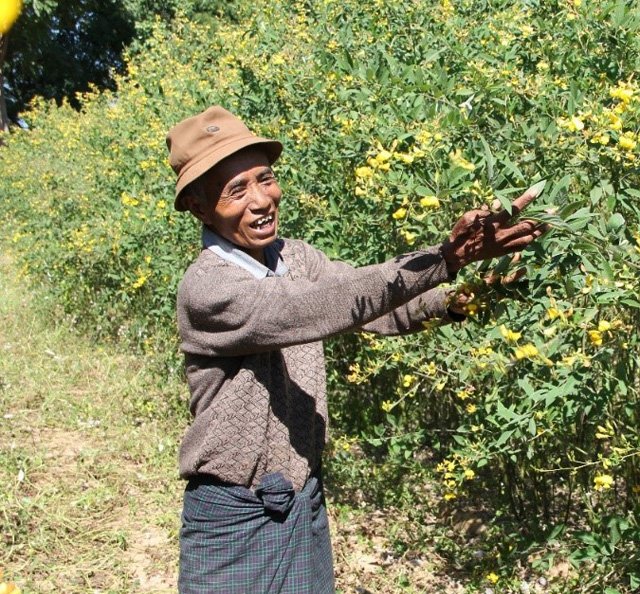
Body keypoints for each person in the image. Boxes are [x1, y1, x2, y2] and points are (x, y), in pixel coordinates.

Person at [165, 105, 547, 593]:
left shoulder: (293, 256)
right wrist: (445, 258)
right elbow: (317, 307)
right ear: (199, 207)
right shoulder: (208, 289)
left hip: (302, 496)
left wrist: (457, 297)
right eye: (236, 190)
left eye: (266, 179)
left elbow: (370, 305)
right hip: (236, 514)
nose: (261, 200)